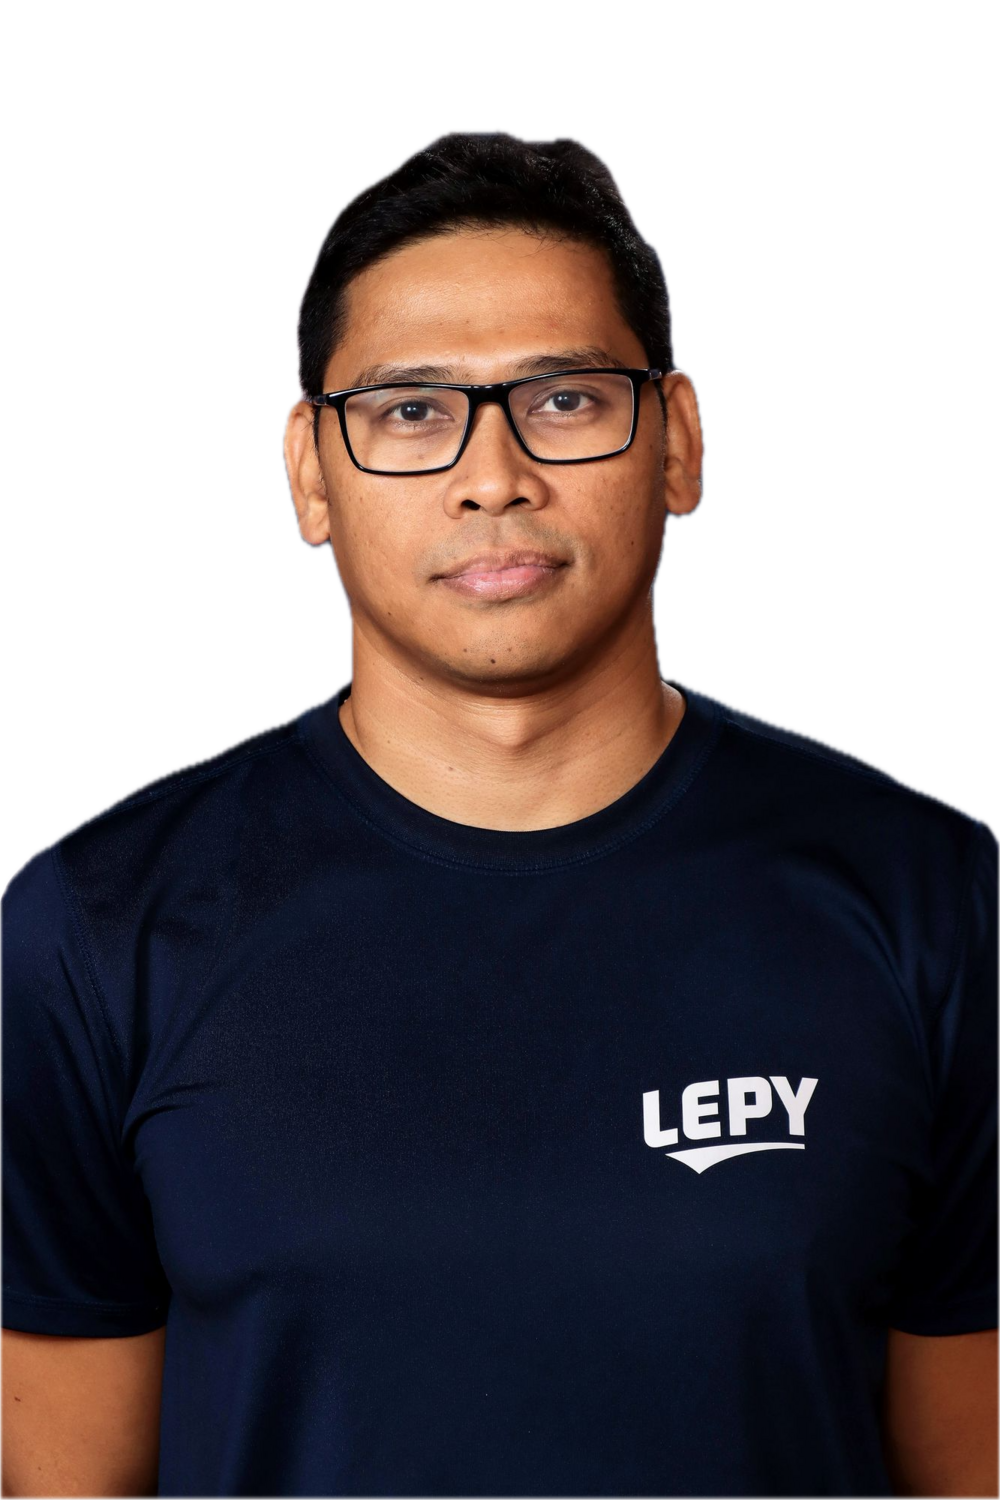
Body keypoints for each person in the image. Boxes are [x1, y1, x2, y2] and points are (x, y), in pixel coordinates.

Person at [1, 127, 997, 1500]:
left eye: (566, 399)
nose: (493, 475)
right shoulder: (94, 926)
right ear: (310, 470)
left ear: (679, 441)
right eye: (412, 411)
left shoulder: (931, 896)